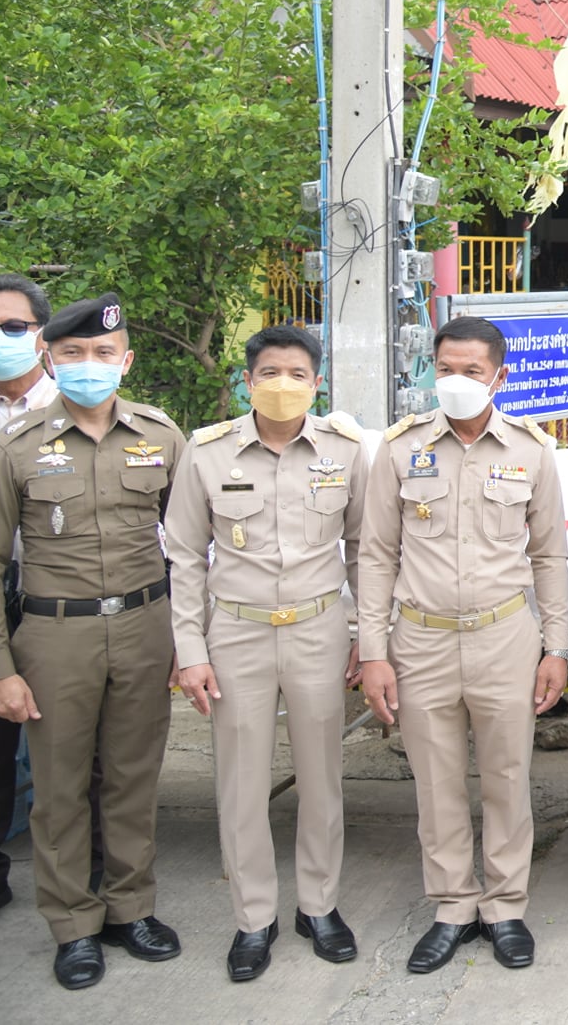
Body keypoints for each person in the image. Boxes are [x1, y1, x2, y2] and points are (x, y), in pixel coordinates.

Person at [0, 293, 186, 990]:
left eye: (102, 354)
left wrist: (190, 642)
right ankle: (73, 923)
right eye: (71, 354)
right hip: (54, 633)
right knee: (60, 789)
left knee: (131, 778)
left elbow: (190, 547)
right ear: (50, 359)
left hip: (143, 624)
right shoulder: (13, 448)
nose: (87, 365)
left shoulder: (160, 435)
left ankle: (131, 907)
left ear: (125, 361)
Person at [358, 316, 568, 975]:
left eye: (471, 371)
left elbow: (549, 555)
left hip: (505, 635)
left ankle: (505, 906)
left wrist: (555, 645)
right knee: (438, 781)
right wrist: (372, 651)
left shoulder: (532, 450)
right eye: (445, 368)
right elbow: (374, 555)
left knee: (508, 776)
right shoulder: (400, 449)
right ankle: (452, 905)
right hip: (419, 640)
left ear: (499, 377)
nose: (455, 381)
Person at [164, 324, 367, 982]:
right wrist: (189, 650)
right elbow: (185, 559)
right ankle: (253, 917)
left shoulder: (345, 449)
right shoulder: (207, 452)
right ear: (247, 381)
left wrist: (366, 635)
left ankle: (320, 904)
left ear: (317, 383)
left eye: (297, 374)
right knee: (242, 784)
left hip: (318, 629)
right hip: (237, 634)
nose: (284, 384)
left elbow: (366, 549)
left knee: (322, 778)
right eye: (270, 372)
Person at [0, 273, 58, 938]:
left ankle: (91, 886)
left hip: (57, 601)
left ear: (43, 335)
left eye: (13, 327)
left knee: (74, 751)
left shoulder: (80, 406)